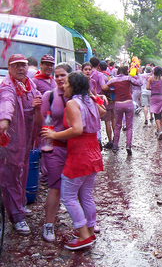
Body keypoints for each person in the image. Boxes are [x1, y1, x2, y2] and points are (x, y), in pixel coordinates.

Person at [41, 72, 105, 250]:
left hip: (79, 153)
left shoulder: (72, 103)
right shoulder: (90, 101)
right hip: (93, 151)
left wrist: (53, 134)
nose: (63, 86)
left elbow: (77, 129)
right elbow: (103, 113)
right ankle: (90, 230)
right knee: (85, 194)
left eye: (67, 83)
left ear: (73, 86)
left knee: (68, 196)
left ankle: (83, 235)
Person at [0, 54, 43, 235]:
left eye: (23, 66)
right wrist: (4, 120)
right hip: (11, 143)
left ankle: (20, 204)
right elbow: (6, 103)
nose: (20, 69)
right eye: (16, 66)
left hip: (26, 141)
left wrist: (37, 103)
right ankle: (16, 217)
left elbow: (37, 97)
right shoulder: (7, 86)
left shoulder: (29, 84)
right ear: (9, 68)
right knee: (10, 177)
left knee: (22, 172)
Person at [40, 63, 72, 242]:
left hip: (74, 147)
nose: (59, 79)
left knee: (79, 185)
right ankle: (48, 223)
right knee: (55, 186)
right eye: (56, 75)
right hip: (55, 147)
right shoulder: (49, 95)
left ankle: (87, 224)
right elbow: (42, 122)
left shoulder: (76, 95)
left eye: (63, 75)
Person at [104, 66, 142, 155]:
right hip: (128, 103)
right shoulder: (128, 78)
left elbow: (105, 87)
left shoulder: (113, 80)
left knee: (117, 126)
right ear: (126, 71)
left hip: (118, 104)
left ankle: (115, 146)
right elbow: (139, 83)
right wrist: (138, 73)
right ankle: (128, 146)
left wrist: (113, 91)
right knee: (129, 127)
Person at [146, 66, 162, 140]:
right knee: (160, 112)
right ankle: (160, 128)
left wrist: (153, 88)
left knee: (156, 115)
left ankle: (159, 130)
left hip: (154, 98)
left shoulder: (150, 78)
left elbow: (147, 87)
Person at [99, 61, 115, 149]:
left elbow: (103, 88)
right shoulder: (111, 75)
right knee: (114, 119)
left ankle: (110, 141)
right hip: (113, 100)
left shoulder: (102, 76)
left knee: (107, 121)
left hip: (106, 101)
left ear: (99, 68)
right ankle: (115, 139)